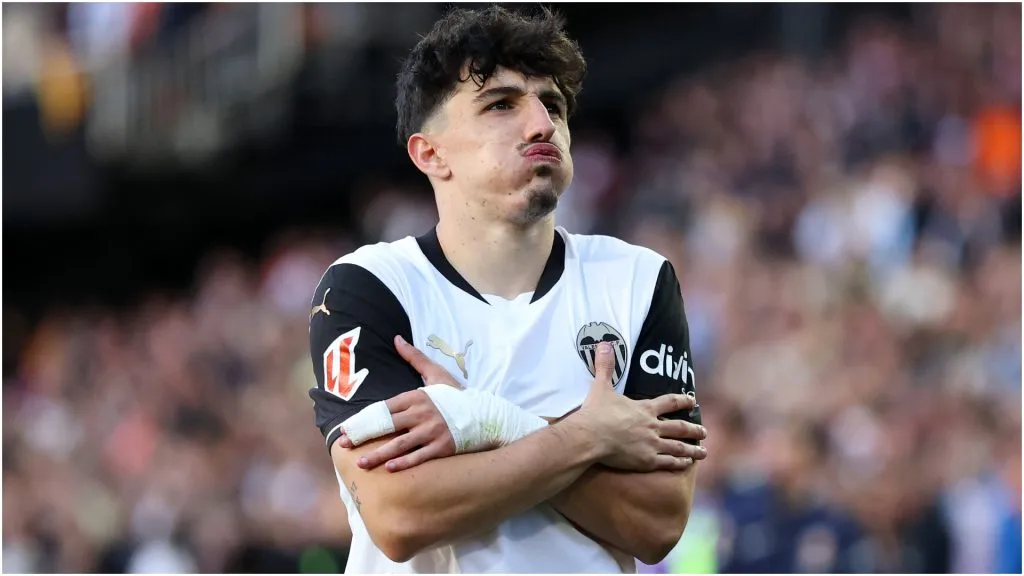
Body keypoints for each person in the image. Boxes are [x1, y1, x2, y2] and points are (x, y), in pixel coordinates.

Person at [307, 6, 707, 573]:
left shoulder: (638, 279)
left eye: (553, 105)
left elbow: (657, 523)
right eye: (501, 104)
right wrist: (588, 437)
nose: (541, 124)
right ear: (430, 153)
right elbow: (399, 515)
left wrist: (487, 422)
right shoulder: (369, 286)